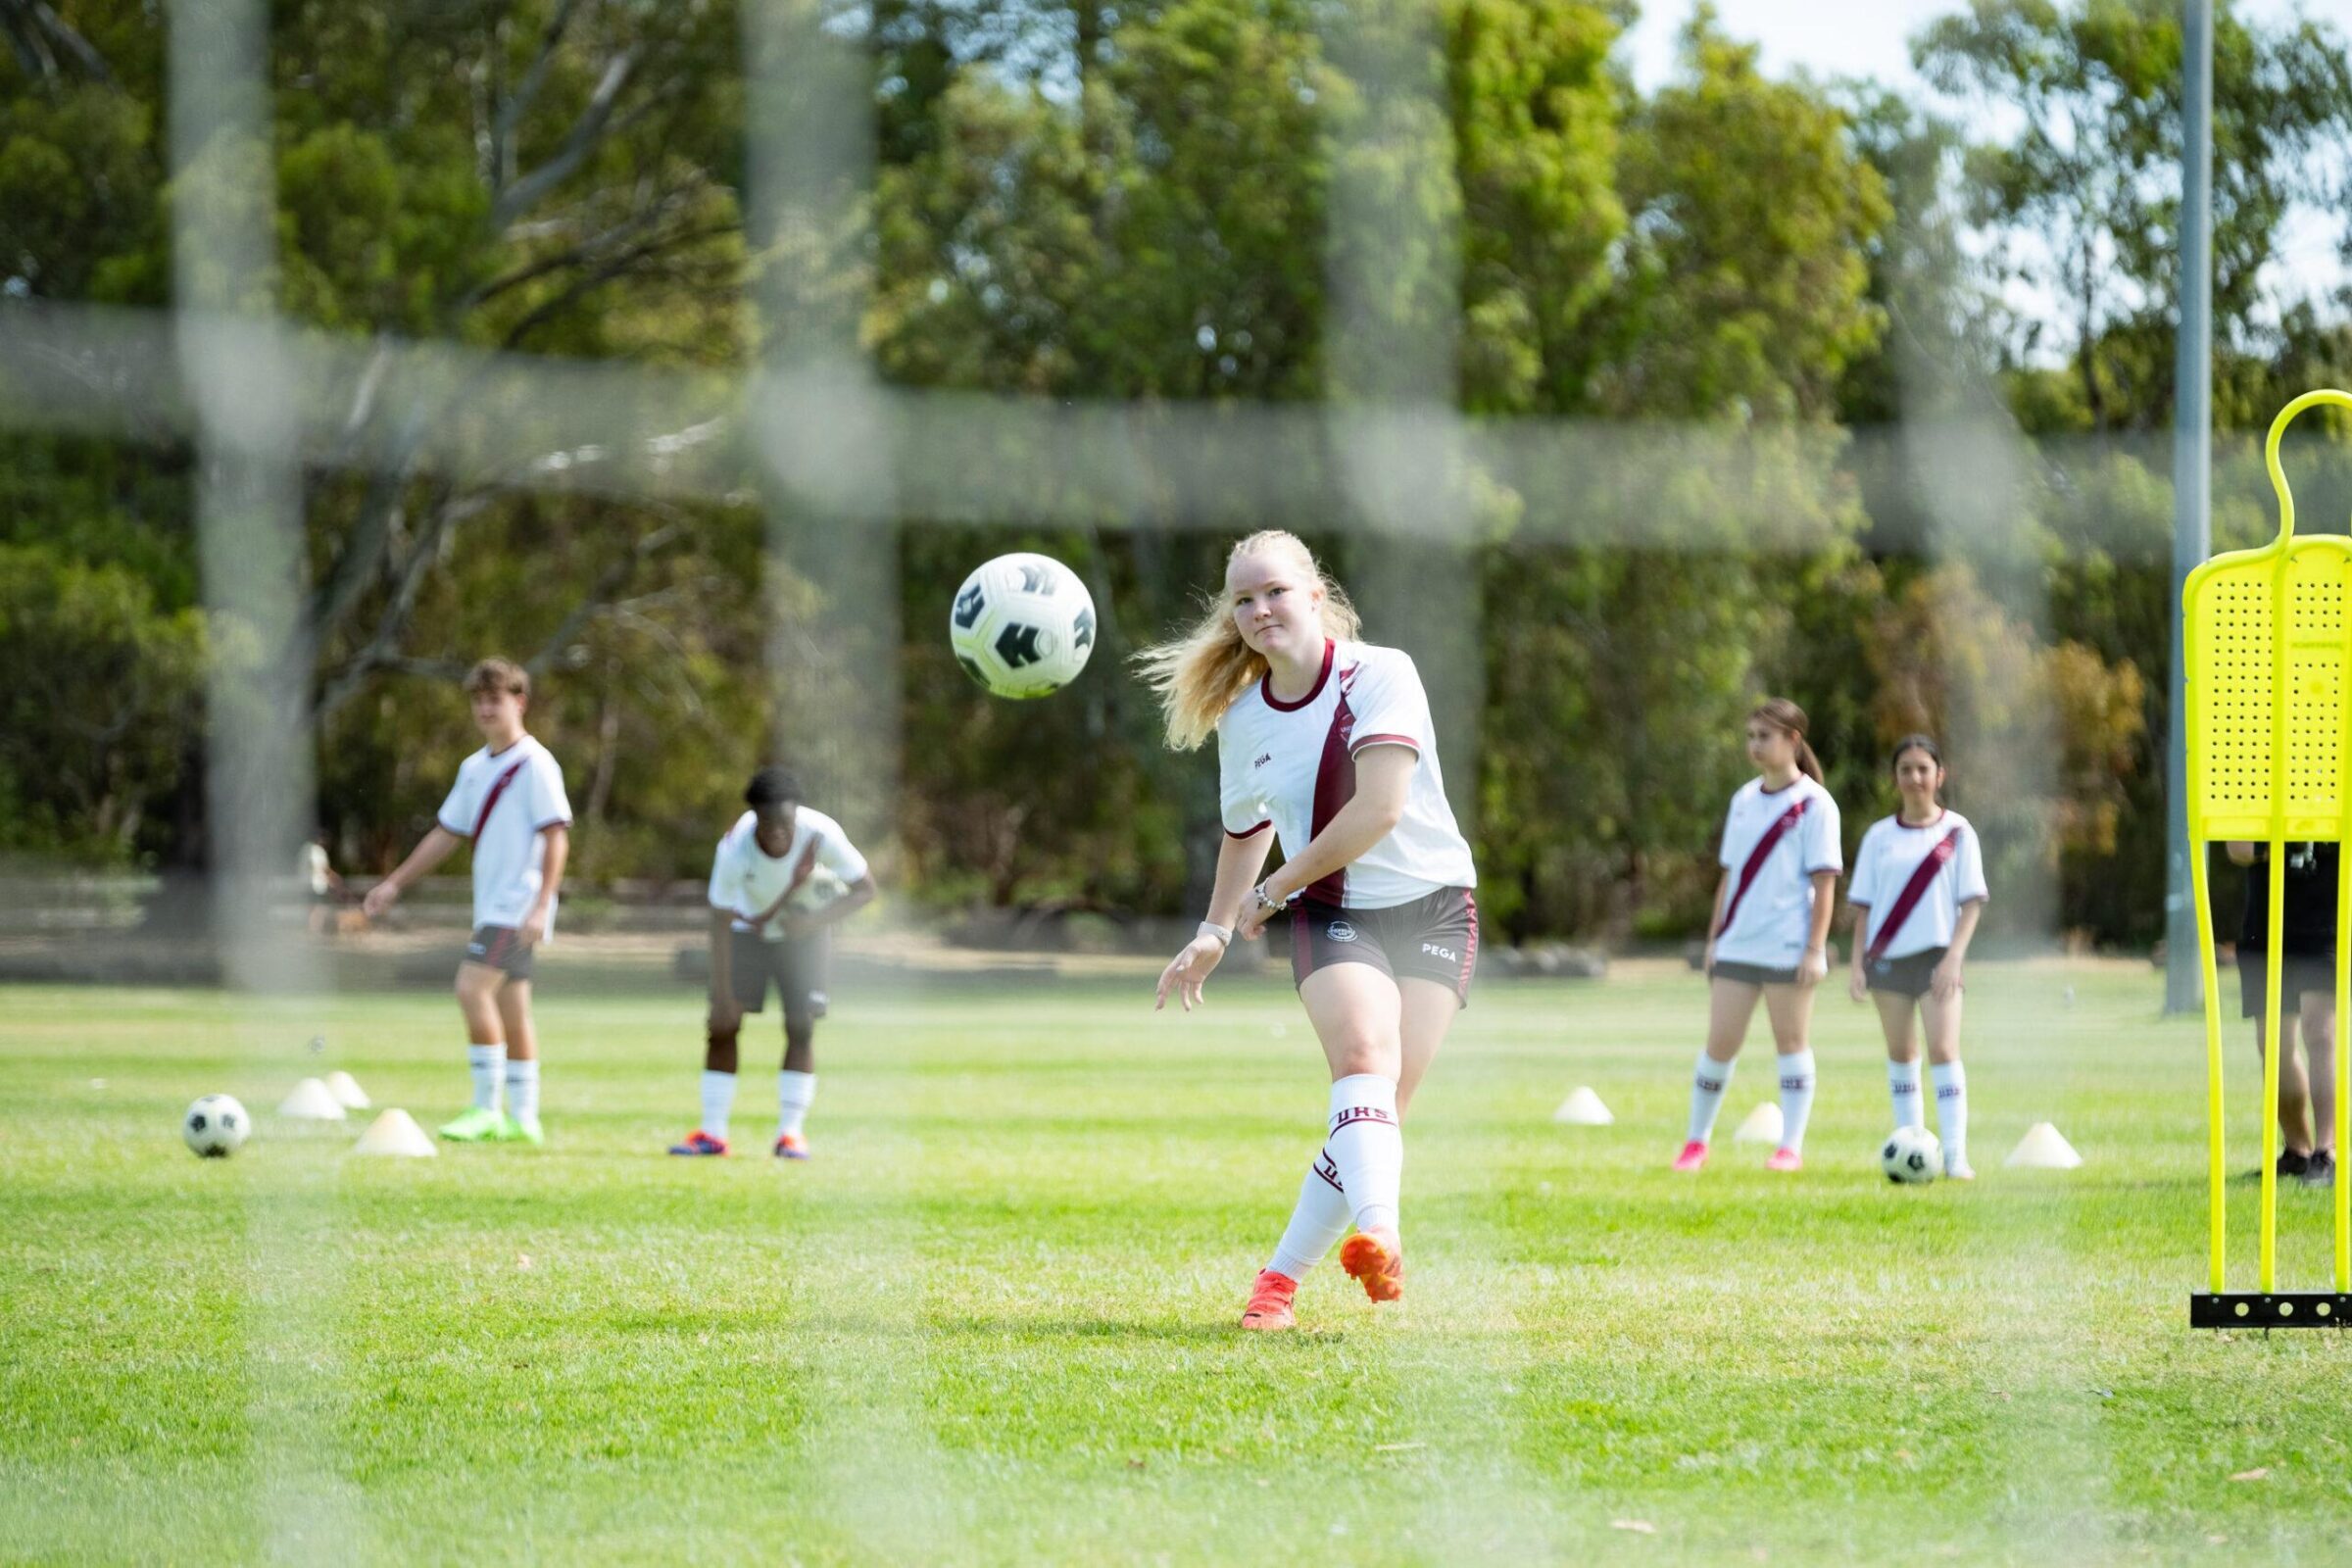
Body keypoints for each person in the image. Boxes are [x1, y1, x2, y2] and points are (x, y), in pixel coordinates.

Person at [1141, 529, 1478, 1332]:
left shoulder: (1383, 674)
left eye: (1275, 592)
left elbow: (1380, 809)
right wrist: (1215, 929)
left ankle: (1276, 1284)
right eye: (1244, 600)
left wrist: (1272, 890)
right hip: (1334, 911)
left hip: (1434, 904)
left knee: (1377, 1113)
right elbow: (1244, 827)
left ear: (1316, 596)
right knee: (1363, 1062)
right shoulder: (1243, 717)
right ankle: (1383, 1236)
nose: (1260, 610)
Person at [362, 659, 571, 1144]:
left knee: (470, 990)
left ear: (519, 702)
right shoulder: (474, 768)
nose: (484, 709)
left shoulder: (535, 764)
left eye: (494, 699)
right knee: (513, 1007)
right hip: (494, 905)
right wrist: (395, 883)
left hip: (515, 907)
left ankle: (485, 1108)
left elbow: (557, 836)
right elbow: (446, 833)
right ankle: (524, 1119)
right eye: (478, 700)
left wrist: (542, 903)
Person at [671, 766, 876, 1159]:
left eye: (785, 820)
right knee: (723, 1026)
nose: (777, 830)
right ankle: (713, 1134)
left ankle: (791, 1134)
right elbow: (719, 919)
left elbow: (865, 889)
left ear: (796, 813)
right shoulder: (735, 847)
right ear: (755, 819)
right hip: (748, 934)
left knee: (800, 1027)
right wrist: (723, 994)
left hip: (804, 938)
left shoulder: (821, 835)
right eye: (768, 822)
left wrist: (812, 921)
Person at [1675, 699, 1841, 1173]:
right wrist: (1714, 940)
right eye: (1750, 736)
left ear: (1793, 740)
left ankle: (1790, 1146)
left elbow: (1825, 883)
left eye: (1764, 736)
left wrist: (1814, 950)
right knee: (1720, 1043)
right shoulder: (1744, 800)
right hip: (1738, 943)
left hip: (1788, 945)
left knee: (1791, 1042)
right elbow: (1729, 876)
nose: (1754, 745)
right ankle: (1696, 1142)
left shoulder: (1816, 805)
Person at [1845, 735, 1987, 1179]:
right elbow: (1864, 908)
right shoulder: (1878, 837)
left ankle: (1955, 1155)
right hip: (1888, 960)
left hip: (1937, 960)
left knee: (1943, 1050)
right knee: (1902, 1054)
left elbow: (1972, 903)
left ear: (1939, 775)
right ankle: (1912, 1144)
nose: (1915, 777)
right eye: (1905, 769)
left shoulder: (1958, 832)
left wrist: (1953, 958)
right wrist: (1857, 964)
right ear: (1896, 778)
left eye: (1923, 768)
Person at [2226, 838, 2339, 1188]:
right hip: (2265, 922)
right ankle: (2297, 1151)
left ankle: (2327, 1151)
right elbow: (2238, 848)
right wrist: (2284, 844)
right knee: (2272, 1044)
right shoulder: (2252, 782)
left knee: (2319, 1033)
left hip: (2322, 920)